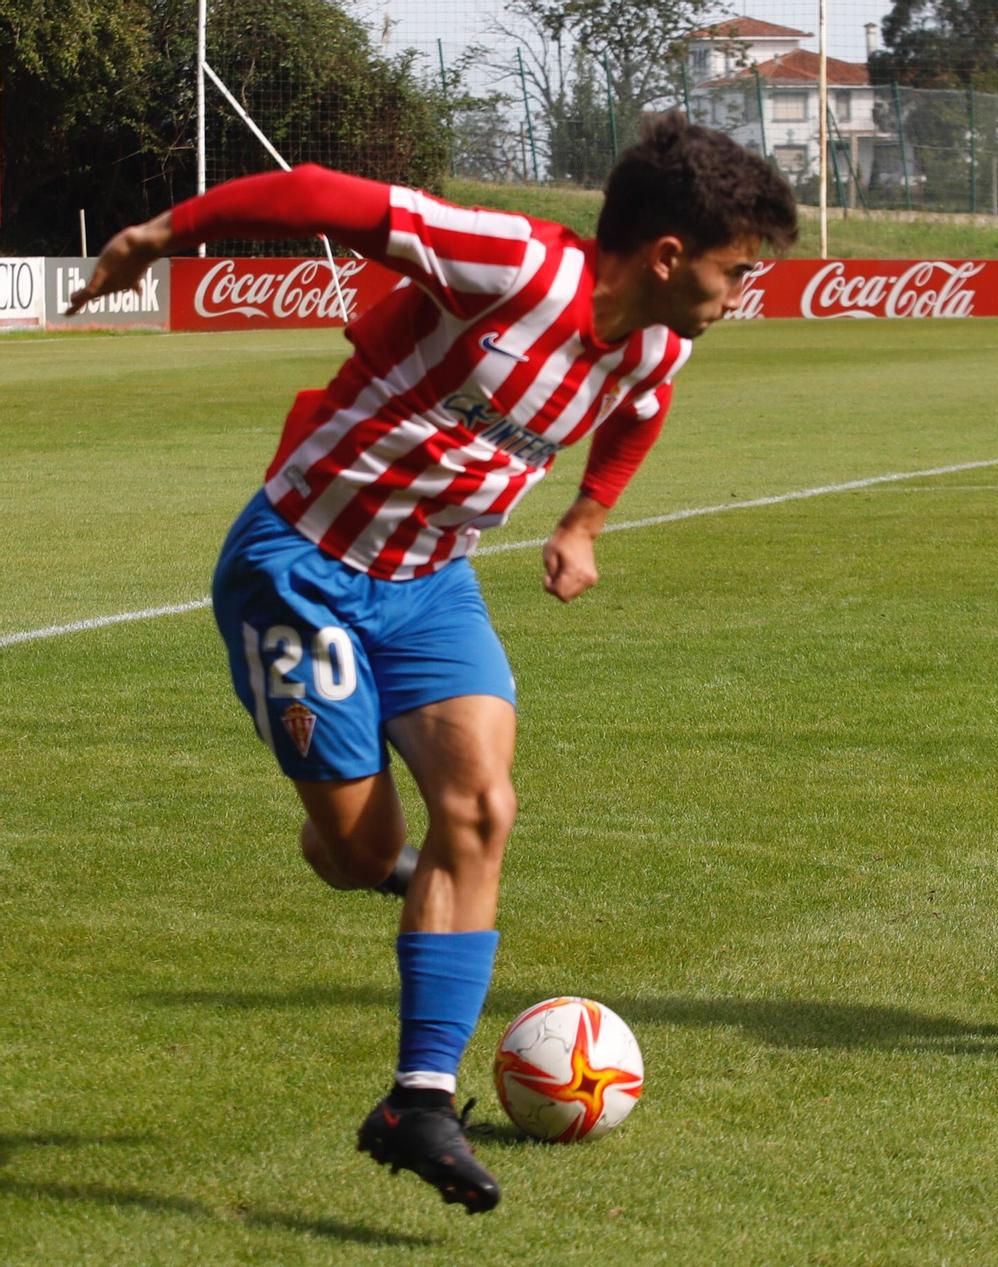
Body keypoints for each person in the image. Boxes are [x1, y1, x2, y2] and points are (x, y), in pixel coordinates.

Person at [65, 113, 797, 1210]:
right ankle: (402, 878)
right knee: (362, 853)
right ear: (666, 256)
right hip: (300, 569)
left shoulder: (659, 342)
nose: (745, 292)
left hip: (432, 582)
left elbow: (639, 413)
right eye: (739, 270)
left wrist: (585, 523)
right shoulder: (512, 266)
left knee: (484, 807)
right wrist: (162, 231)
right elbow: (319, 193)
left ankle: (417, 1100)